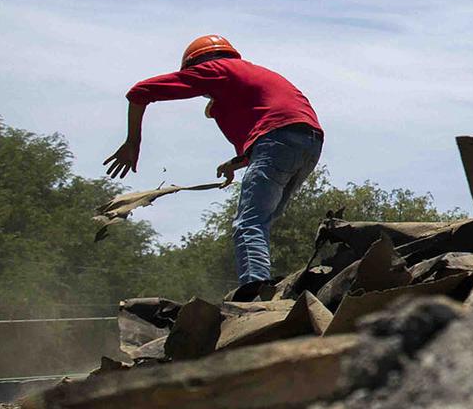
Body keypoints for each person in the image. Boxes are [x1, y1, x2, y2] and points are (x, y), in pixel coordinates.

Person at [105, 35, 324, 300]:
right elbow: (273, 137)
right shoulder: (253, 76)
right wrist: (235, 163)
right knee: (263, 220)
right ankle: (273, 288)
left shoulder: (216, 69)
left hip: (278, 139)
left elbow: (139, 92)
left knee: (249, 223)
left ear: (198, 64)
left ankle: (255, 295)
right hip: (309, 143)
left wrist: (133, 142)